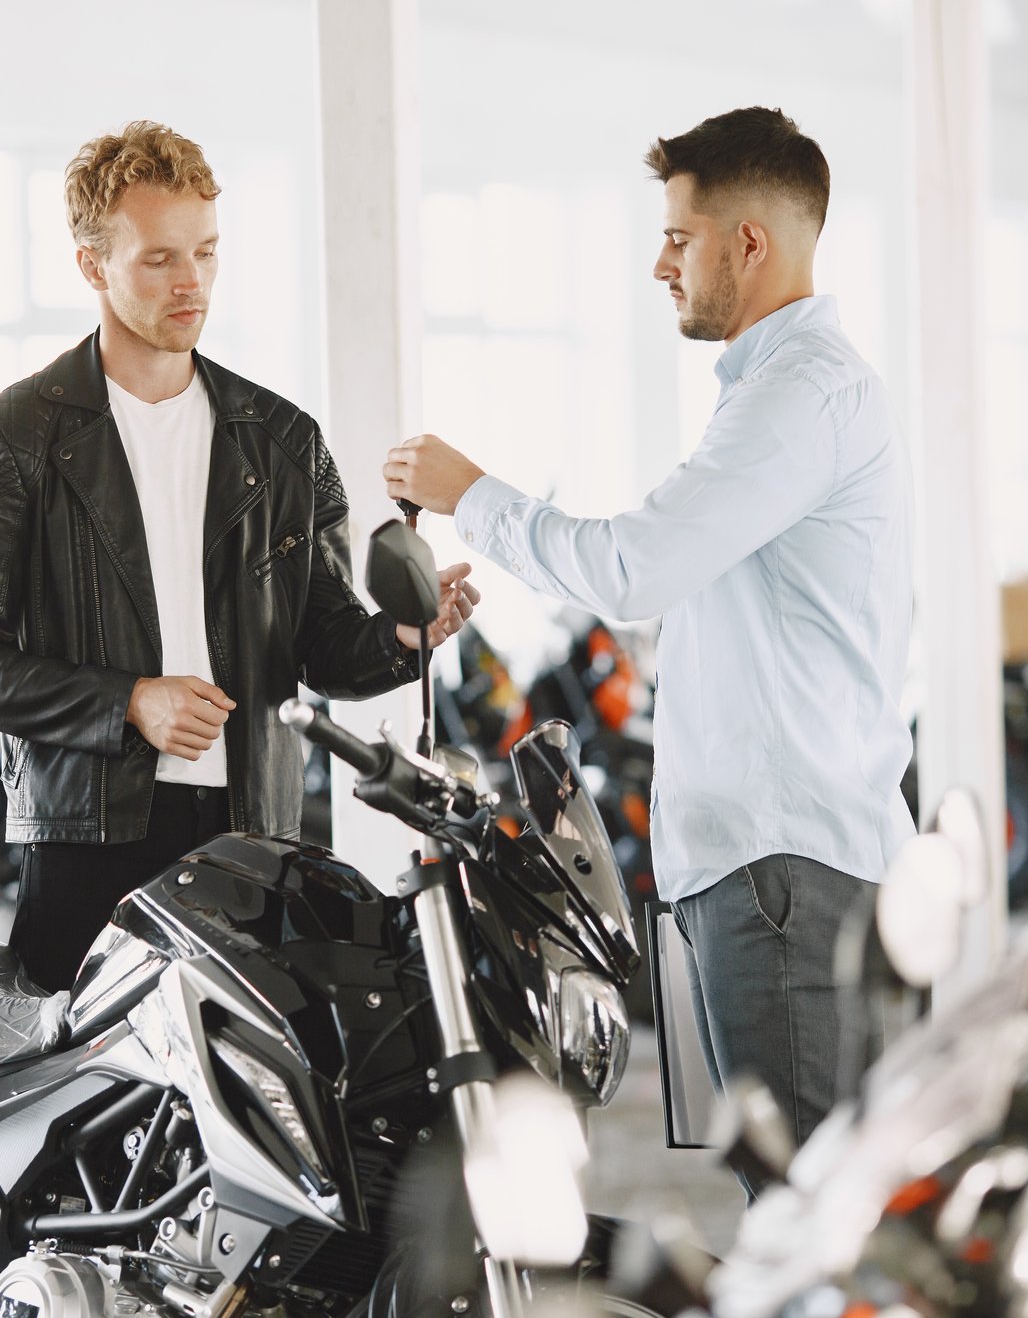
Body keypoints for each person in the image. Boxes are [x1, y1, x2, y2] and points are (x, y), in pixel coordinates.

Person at [382, 107, 913, 1150]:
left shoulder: (799, 395)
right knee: (799, 1192)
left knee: (806, 1201)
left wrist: (469, 492)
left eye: (677, 236)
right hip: (772, 869)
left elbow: (633, 566)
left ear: (746, 242)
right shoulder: (779, 391)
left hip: (784, 875)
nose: (659, 265)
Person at [0, 121, 477, 993]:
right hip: (85, 847)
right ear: (91, 265)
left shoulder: (285, 441)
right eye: (159, 259)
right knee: (85, 1116)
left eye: (208, 252)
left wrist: (405, 638)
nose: (192, 282)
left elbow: (323, 645)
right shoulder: (8, 439)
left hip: (254, 838)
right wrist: (129, 702)